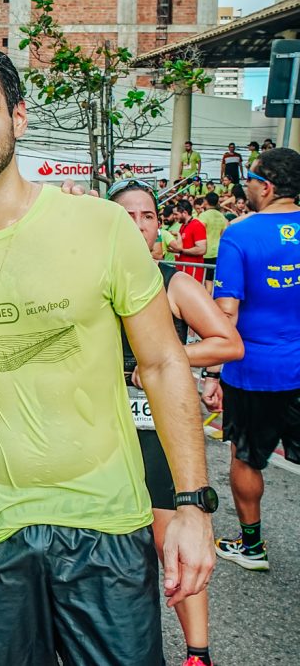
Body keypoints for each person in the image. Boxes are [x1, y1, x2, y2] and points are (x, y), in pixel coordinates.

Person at [0, 34, 215, 665]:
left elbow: (165, 362)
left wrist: (195, 507)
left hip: (106, 524)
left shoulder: (102, 226)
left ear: (18, 115)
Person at [108, 178, 244, 666]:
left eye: (147, 216)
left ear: (158, 227)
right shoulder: (91, 282)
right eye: (127, 215)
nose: (139, 225)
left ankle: (197, 654)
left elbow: (228, 343)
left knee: (175, 545)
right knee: (113, 551)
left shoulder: (173, 281)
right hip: (103, 435)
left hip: (160, 432)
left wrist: (167, 359)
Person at [213, 147, 300, 573]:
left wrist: (211, 370)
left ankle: (251, 547)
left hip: (254, 372)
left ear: (265, 186)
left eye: (249, 178)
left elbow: (226, 311)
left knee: (246, 458)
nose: (243, 185)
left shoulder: (240, 234)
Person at [170, 199, 208, 283]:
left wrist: (182, 251)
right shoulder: (183, 226)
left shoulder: (197, 225)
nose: (174, 217)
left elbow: (202, 249)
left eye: (176, 214)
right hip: (183, 271)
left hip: (193, 273)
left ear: (185, 213)